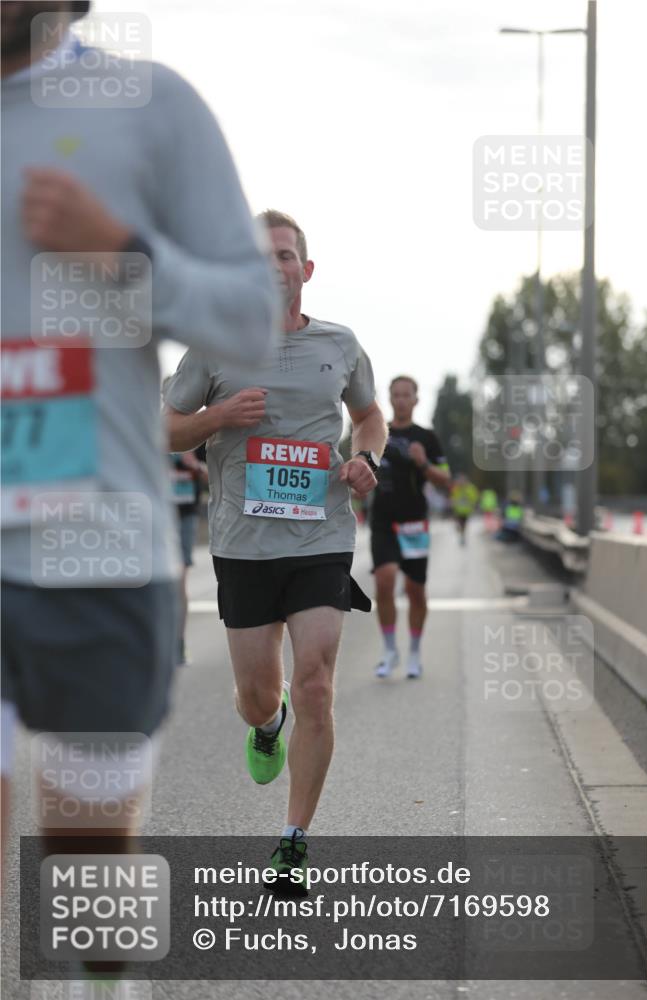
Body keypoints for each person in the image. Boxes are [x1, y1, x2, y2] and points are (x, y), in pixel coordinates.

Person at [1, 1, 277, 988]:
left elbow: (251, 321)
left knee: (88, 911)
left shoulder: (151, 109)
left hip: (94, 548)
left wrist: (120, 253)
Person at [164, 210, 386, 890]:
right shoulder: (211, 347)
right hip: (242, 543)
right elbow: (168, 429)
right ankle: (268, 723)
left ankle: (293, 841)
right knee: (260, 694)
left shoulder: (339, 344)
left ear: (304, 270)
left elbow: (368, 416)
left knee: (317, 683)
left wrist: (363, 458)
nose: (273, 267)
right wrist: (217, 419)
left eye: (285, 256)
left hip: (321, 535)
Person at [368, 376, 450, 680]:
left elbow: (446, 481)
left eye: (407, 395)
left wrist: (423, 463)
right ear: (389, 399)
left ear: (416, 400)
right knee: (385, 581)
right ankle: (390, 650)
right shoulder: (378, 433)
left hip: (415, 522)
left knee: (416, 590)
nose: (401, 400)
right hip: (383, 521)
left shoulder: (426, 437)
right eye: (396, 395)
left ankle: (414, 650)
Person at [168, 444, 208, 666]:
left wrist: (195, 465)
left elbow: (216, 477)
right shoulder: (152, 427)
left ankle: (179, 643)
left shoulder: (196, 434)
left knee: (179, 578)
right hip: (154, 513)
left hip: (185, 516)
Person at [450, 473, 479, 546]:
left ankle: (463, 536)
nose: (461, 481)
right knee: (459, 524)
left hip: (466, 510)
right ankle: (461, 533)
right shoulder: (456, 487)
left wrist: (472, 504)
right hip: (458, 510)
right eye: (460, 480)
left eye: (463, 480)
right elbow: (452, 496)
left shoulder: (470, 488)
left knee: (464, 525)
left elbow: (474, 497)